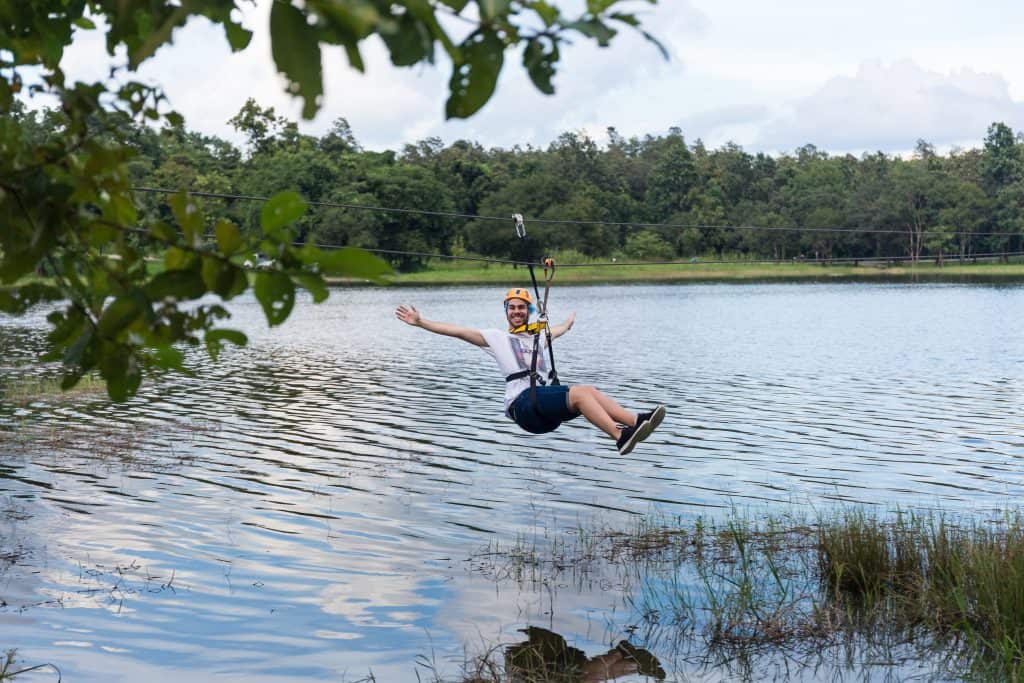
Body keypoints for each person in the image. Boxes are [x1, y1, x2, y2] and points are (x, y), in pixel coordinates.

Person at [394, 288, 665, 455]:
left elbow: (557, 330)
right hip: (523, 406)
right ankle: (620, 437)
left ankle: (636, 421)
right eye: (511, 308)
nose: (516, 312)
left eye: (521, 308)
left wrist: (568, 323)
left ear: (528, 312)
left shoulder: (538, 337)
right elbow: (458, 331)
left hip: (543, 410)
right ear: (506, 312)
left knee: (588, 391)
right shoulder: (496, 338)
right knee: (581, 393)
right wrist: (421, 322)